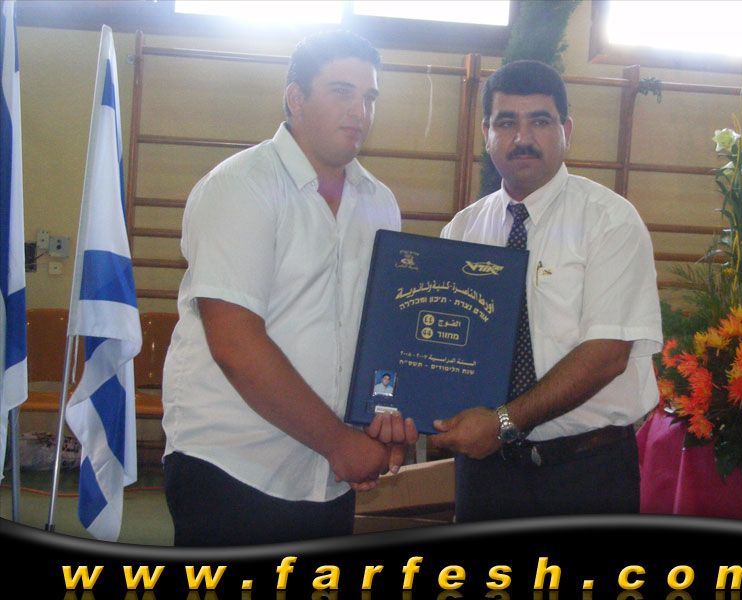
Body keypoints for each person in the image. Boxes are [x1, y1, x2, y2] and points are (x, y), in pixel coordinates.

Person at [161, 30, 417, 546]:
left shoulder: (379, 202)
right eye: (341, 91)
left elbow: (379, 336)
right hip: (233, 465)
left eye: (369, 96)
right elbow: (234, 343)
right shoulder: (241, 186)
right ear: (295, 98)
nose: (360, 111)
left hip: (328, 474)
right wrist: (340, 443)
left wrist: (385, 417)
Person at [431, 60, 662, 522]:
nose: (522, 137)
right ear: (485, 132)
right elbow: (442, 346)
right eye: (506, 123)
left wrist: (503, 422)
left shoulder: (609, 220)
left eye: (540, 121)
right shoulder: (462, 231)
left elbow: (607, 354)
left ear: (566, 130)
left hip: (586, 474)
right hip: (486, 474)